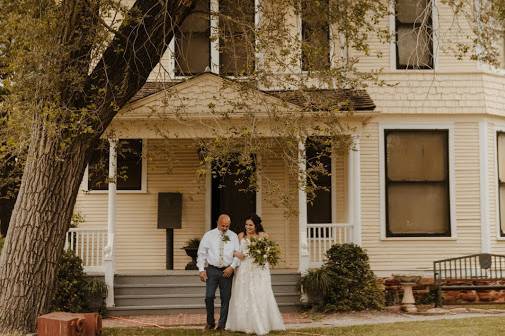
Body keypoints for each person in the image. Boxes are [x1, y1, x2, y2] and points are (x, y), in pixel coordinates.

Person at [225, 214, 286, 335]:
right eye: (246, 224)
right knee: (244, 293)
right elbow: (233, 250)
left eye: (251, 225)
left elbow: (268, 252)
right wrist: (236, 254)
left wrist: (262, 256)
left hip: (259, 269)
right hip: (244, 269)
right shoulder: (241, 236)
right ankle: (243, 324)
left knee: (260, 293)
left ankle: (262, 322)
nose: (248, 227)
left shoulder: (263, 236)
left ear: (256, 225)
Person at [197, 214, 240, 330]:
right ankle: (210, 322)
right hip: (212, 270)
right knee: (209, 296)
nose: (225, 228)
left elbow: (237, 253)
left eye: (227, 226)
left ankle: (222, 325)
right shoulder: (209, 235)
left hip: (227, 270)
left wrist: (232, 267)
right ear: (217, 223)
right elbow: (202, 254)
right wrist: (201, 270)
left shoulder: (233, 236)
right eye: (223, 226)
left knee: (225, 298)